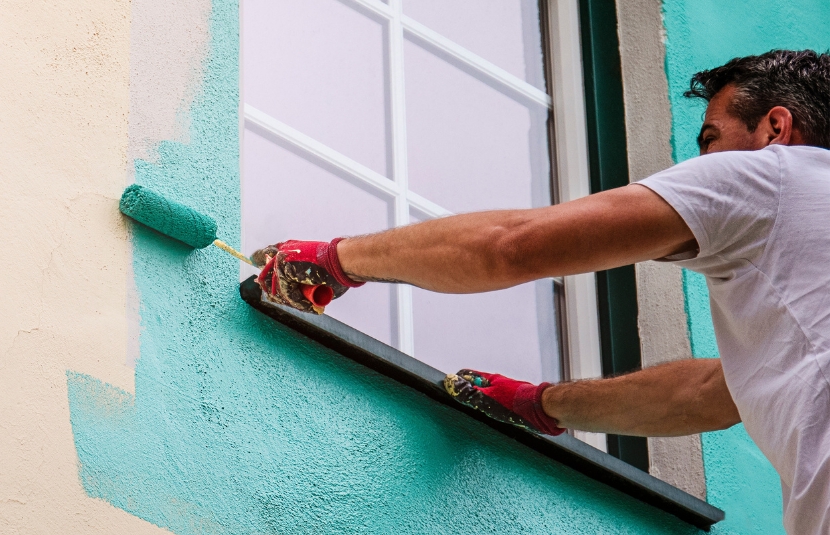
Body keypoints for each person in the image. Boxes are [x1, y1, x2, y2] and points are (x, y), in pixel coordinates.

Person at [251, 49, 830, 534]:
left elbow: (514, 245)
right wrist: (539, 405)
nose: (700, 162)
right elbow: (713, 393)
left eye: (710, 139)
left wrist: (335, 262)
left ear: (775, 130)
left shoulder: (777, 174)